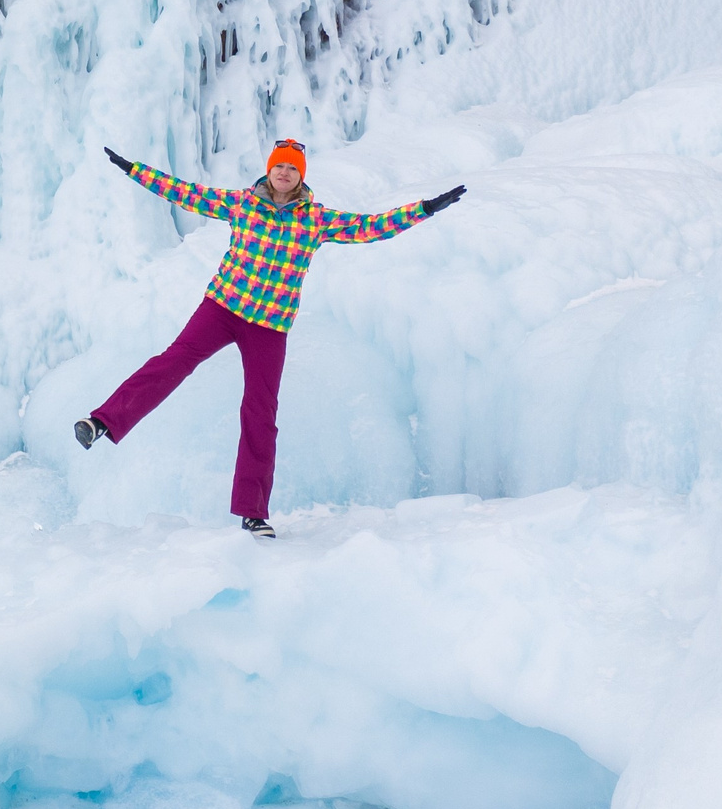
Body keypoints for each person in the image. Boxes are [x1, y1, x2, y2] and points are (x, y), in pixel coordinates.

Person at [76, 140, 464, 538]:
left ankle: (253, 512)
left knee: (261, 412)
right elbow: (186, 193)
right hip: (223, 308)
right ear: (269, 170)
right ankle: (102, 421)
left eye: (292, 169)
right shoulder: (242, 203)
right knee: (173, 362)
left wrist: (424, 210)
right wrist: (135, 170)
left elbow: (369, 228)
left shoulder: (315, 219)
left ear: (301, 177)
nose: (284, 173)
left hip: (268, 327)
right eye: (279, 166)